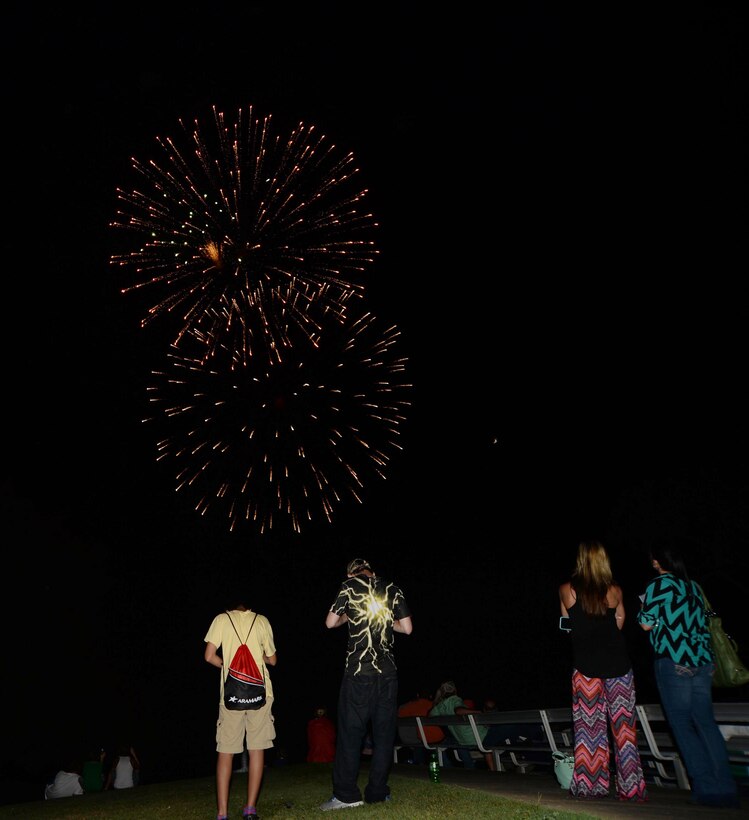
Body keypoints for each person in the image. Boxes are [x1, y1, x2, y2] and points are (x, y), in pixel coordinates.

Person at [637, 542, 740, 809]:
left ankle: (706, 788)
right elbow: (704, 622)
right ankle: (726, 788)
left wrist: (649, 610)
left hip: (674, 661)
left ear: (657, 562)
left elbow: (645, 623)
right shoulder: (694, 587)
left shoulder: (658, 585)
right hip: (703, 661)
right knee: (706, 724)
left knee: (682, 725)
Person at [558, 540, 648, 801]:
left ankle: (590, 785)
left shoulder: (567, 589)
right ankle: (631, 789)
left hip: (585, 668)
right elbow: (620, 620)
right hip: (619, 666)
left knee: (588, 728)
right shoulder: (615, 591)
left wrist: (584, 633)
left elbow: (566, 626)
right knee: (624, 730)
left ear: (581, 560)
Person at [320, 558, 412, 810]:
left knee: (351, 733)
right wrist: (384, 622)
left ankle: (346, 795)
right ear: (372, 570)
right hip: (388, 674)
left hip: (359, 672)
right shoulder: (392, 587)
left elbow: (330, 622)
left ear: (351, 573)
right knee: (383, 735)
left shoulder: (349, 587)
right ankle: (378, 792)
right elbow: (407, 628)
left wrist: (348, 619)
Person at [205, 598, 278, 820]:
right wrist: (260, 658)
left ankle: (222, 813)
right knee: (257, 749)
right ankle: (249, 809)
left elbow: (208, 656)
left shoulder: (221, 619)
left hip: (231, 695)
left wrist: (228, 666)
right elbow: (273, 660)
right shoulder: (262, 620)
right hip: (260, 694)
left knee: (226, 751)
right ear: (249, 606)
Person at [429, 680, 500, 770]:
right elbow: (458, 711)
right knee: (499, 732)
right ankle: (495, 770)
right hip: (478, 737)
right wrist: (478, 712)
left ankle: (494, 769)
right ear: (455, 690)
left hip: (463, 740)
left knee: (491, 738)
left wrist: (437, 702)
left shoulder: (441, 706)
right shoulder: (455, 699)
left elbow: (430, 715)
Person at [397, 689, 442, 764]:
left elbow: (399, 716)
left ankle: (419, 765)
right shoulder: (432, 705)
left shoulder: (408, 706)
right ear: (430, 696)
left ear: (417, 695)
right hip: (423, 738)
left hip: (406, 738)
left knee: (421, 738)